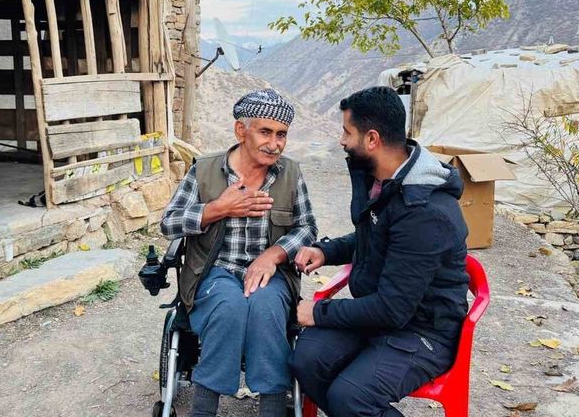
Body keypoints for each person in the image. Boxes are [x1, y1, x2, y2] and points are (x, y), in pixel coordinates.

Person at [291, 86, 469, 417]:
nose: (342, 141)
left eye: (347, 132)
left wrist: (318, 312)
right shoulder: (383, 180)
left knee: (351, 398)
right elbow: (376, 238)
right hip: (379, 315)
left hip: (422, 332)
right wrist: (327, 251)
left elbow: (392, 309)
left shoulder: (426, 213)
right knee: (306, 360)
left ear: (372, 139)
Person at [160, 89, 317, 417]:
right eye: (265, 132)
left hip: (271, 275)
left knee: (266, 308)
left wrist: (273, 254)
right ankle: (203, 411)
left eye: (281, 134)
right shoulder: (204, 170)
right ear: (241, 131)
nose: (274, 144)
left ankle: (272, 409)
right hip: (214, 272)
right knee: (228, 307)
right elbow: (170, 223)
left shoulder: (290, 173)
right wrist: (218, 208)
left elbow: (306, 228)